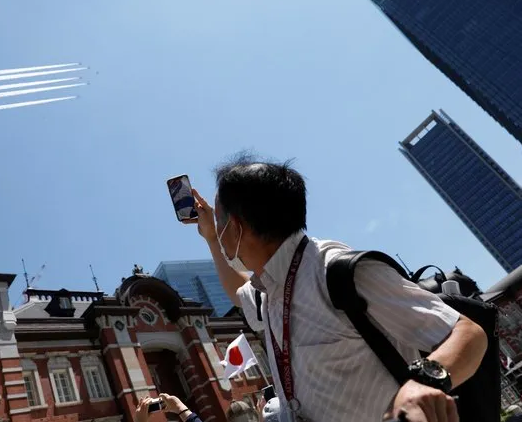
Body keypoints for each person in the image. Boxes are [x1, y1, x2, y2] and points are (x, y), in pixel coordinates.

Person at [184, 153, 488, 422]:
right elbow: (237, 294)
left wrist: (424, 384)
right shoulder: (270, 291)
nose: (220, 232)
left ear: (236, 227)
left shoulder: (336, 269)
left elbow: (468, 333)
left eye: (220, 221)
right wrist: (211, 236)